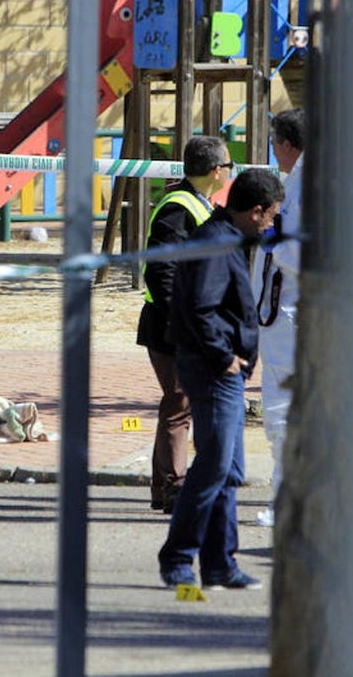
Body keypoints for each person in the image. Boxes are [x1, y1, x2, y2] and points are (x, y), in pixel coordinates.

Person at [158, 167, 284, 590]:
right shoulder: (215, 243)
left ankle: (219, 563)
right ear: (255, 211)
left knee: (228, 470)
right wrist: (224, 355)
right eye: (270, 217)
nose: (270, 225)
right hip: (213, 371)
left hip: (220, 368)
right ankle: (178, 557)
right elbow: (198, 306)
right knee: (213, 468)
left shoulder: (222, 237)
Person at [137, 136, 231, 514]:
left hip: (174, 322)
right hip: (170, 324)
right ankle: (175, 489)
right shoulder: (179, 208)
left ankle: (165, 488)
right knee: (180, 403)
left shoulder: (198, 204)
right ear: (215, 171)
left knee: (177, 403)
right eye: (228, 166)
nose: (230, 172)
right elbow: (161, 273)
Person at [252, 108, 306, 527]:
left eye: (274, 141)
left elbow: (305, 254)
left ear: (288, 145)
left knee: (283, 415)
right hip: (281, 317)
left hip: (289, 319)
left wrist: (273, 241)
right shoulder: (300, 181)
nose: (273, 149)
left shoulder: (305, 184)